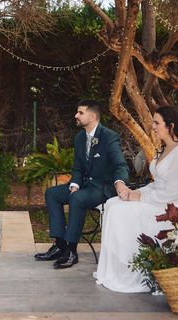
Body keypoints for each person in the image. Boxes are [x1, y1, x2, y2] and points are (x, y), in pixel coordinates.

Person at [94, 105, 178, 293]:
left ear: (171, 126)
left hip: (172, 207)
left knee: (119, 211)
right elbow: (157, 183)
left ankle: (131, 271)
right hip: (158, 197)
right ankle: (116, 270)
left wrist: (141, 198)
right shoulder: (166, 148)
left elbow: (174, 191)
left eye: (157, 123)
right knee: (111, 203)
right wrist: (135, 193)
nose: (153, 126)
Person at [35, 100, 130, 269]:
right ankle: (59, 245)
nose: (76, 115)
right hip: (84, 187)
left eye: (80, 113)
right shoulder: (80, 138)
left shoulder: (109, 137)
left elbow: (120, 165)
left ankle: (71, 251)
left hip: (102, 188)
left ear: (92, 116)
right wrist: (75, 184)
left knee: (77, 199)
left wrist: (120, 183)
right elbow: (78, 167)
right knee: (52, 193)